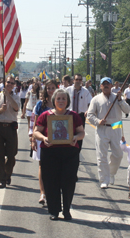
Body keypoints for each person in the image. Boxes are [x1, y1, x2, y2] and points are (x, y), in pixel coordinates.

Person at [33, 89, 85, 220]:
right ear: (54, 100)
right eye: (58, 98)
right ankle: (54, 211)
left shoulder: (74, 115)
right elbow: (36, 132)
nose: (61, 101)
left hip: (70, 153)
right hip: (50, 152)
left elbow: (81, 133)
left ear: (67, 101)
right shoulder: (45, 115)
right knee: (51, 182)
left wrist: (76, 138)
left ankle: (67, 209)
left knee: (69, 181)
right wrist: (44, 138)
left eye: (64, 99)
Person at [87, 77, 130, 189]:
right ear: (100, 86)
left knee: (118, 155)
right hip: (102, 128)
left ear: (111, 86)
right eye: (103, 84)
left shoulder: (117, 97)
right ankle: (104, 179)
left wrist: (120, 100)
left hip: (116, 127)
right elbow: (90, 115)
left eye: (108, 84)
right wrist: (98, 121)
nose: (106, 85)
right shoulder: (95, 99)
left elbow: (127, 110)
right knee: (102, 156)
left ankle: (111, 173)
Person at [0, 75, 20, 188]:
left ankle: (7, 173)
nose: (10, 85)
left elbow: (16, 108)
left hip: (11, 128)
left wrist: (8, 96)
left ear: (14, 85)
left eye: (12, 83)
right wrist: (0, 110)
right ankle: (1, 179)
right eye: (8, 82)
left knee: (11, 155)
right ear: (4, 83)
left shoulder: (16, 97)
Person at [31, 80, 57, 205]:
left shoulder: (60, 102)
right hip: (42, 138)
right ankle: (43, 193)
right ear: (45, 90)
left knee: (55, 167)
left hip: (58, 139)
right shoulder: (40, 105)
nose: (51, 90)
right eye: (48, 88)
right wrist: (33, 140)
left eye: (53, 88)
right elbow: (36, 123)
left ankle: (53, 191)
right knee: (42, 165)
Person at [66, 74, 92, 149]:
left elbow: (90, 103)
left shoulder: (85, 91)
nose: (78, 81)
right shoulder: (68, 90)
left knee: (79, 135)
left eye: (80, 80)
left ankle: (78, 150)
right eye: (76, 79)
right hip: (69, 115)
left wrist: (88, 110)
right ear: (73, 80)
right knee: (68, 133)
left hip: (80, 116)